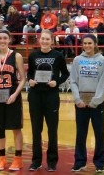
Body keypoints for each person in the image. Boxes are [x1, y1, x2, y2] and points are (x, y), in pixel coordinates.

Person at [27, 29, 69, 172]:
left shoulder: (58, 56)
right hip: (35, 96)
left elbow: (66, 74)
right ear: (39, 40)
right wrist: (30, 80)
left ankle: (52, 161)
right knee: (36, 130)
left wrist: (56, 82)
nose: (44, 41)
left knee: (52, 130)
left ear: (51, 41)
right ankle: (36, 161)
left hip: (51, 96)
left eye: (47, 39)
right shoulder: (33, 56)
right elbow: (30, 73)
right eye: (42, 39)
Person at [0, 29, 26, 171]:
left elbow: (23, 79)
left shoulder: (16, 56)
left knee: (16, 127)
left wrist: (15, 94)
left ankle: (18, 159)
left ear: (9, 39)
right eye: (0, 38)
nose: (2, 41)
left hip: (11, 95)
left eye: (5, 38)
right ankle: (2, 159)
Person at [70, 34, 104, 173]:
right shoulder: (77, 60)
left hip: (96, 103)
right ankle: (80, 162)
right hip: (80, 103)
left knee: (99, 133)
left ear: (95, 44)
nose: (87, 45)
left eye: (90, 43)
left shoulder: (102, 61)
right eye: (85, 43)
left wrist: (95, 101)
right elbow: (73, 81)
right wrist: (77, 99)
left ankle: (100, 162)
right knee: (81, 134)